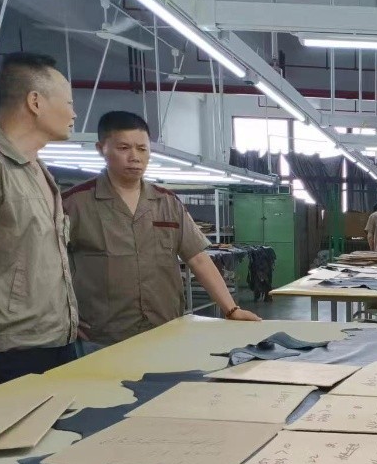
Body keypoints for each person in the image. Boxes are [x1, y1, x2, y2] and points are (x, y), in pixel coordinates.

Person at [63, 111, 260, 348]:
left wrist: (231, 309)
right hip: (102, 335)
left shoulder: (167, 203)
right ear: (101, 149)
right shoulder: (74, 204)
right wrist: (64, 317)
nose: (134, 157)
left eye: (142, 149)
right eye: (124, 148)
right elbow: (47, 267)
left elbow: (198, 258)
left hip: (165, 328)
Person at [0, 52, 80, 391]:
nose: (74, 114)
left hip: (55, 344)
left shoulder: (37, 171)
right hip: (9, 354)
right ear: (35, 102)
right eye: (68, 102)